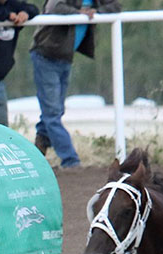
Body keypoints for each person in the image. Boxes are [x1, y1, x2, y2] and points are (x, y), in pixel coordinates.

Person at [30, 0, 122, 168]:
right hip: (46, 55)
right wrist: (81, 13)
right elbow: (54, 7)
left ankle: (37, 152)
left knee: (55, 110)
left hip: (65, 58)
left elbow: (115, 6)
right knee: (52, 113)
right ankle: (70, 160)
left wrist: (95, 11)